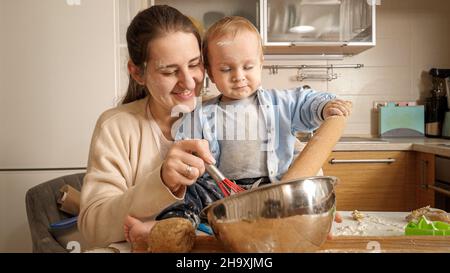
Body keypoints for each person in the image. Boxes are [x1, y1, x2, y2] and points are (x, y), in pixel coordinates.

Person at [124, 16, 351, 252]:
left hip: (271, 185)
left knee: (306, 196)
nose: (238, 76)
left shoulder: (281, 103)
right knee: (190, 195)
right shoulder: (201, 115)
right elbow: (186, 148)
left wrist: (325, 107)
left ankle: (317, 221)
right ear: (210, 72)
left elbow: (306, 101)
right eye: (226, 69)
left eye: (248, 66)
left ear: (261, 62)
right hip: (222, 191)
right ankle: (169, 228)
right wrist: (190, 162)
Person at [78, 5, 216, 251]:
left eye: (195, 64)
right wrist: (161, 181)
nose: (188, 81)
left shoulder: (224, 114)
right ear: (137, 73)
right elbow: (92, 229)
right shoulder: (116, 126)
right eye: (169, 71)